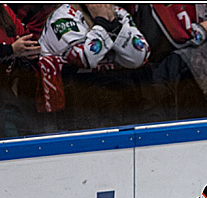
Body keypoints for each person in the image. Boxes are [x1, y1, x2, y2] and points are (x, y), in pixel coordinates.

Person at [37, 3, 151, 132]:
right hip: (77, 105)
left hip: (120, 101)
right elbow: (85, 57)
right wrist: (102, 23)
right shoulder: (62, 18)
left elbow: (139, 57)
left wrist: (114, 25)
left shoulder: (118, 14)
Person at [0, 3, 41, 140]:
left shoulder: (3, 10)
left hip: (4, 92)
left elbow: (25, 38)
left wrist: (27, 51)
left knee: (19, 135)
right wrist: (11, 50)